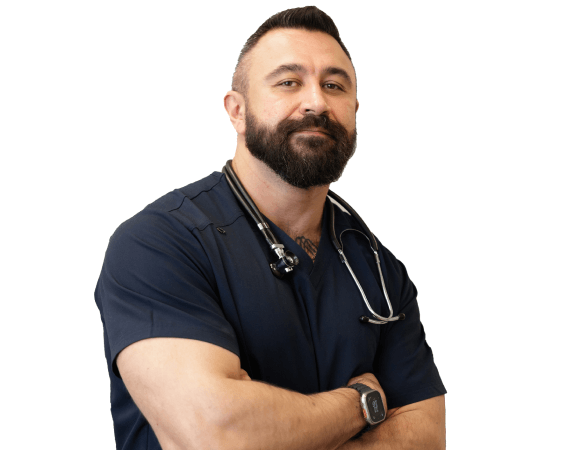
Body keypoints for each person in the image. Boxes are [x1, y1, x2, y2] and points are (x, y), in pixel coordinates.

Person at [95, 6, 446, 450]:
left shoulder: (379, 271)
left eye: (334, 85)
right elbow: (217, 435)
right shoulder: (158, 245)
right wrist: (361, 404)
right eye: (288, 82)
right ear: (237, 110)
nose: (317, 103)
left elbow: (426, 436)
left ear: (355, 110)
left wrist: (273, 427)